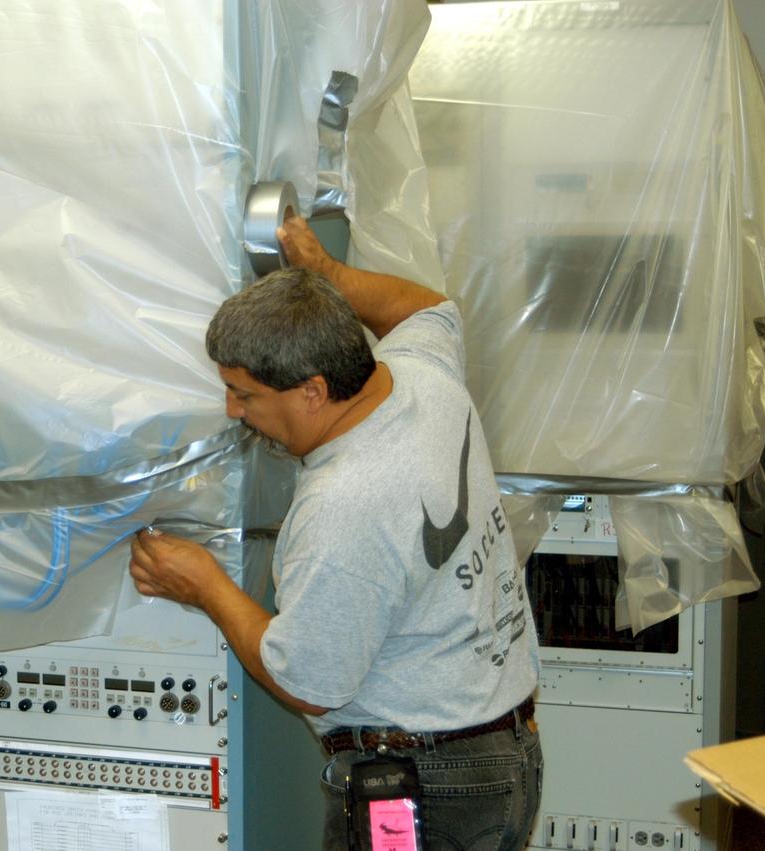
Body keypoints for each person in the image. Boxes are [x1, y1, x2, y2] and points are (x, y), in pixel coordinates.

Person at [129, 215, 542, 851]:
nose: (232, 411)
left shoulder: (345, 507)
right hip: (500, 753)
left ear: (313, 391)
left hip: (425, 784)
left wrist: (205, 586)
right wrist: (328, 274)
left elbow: (308, 684)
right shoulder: (419, 377)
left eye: (244, 395)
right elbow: (429, 308)